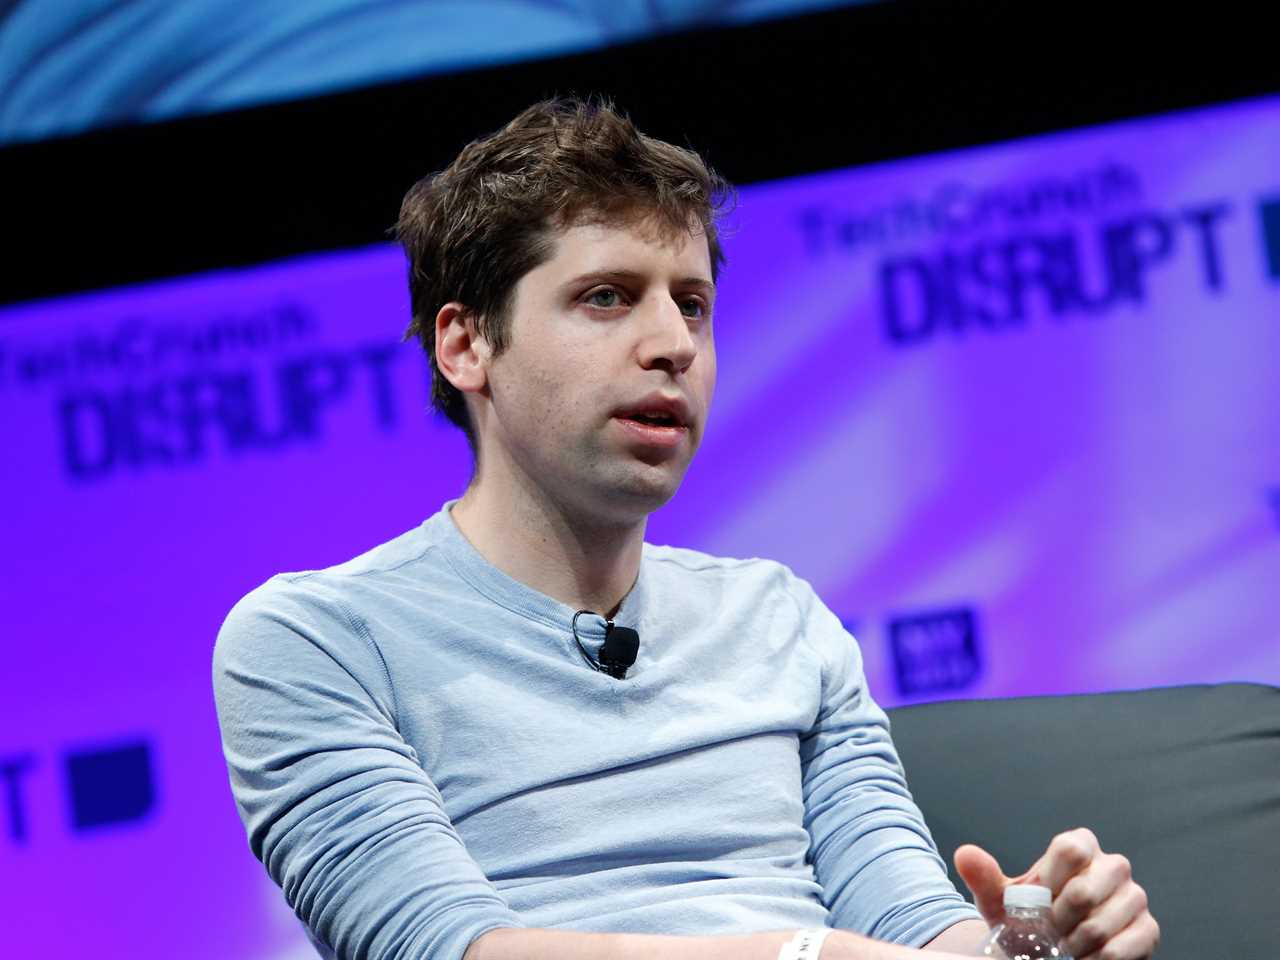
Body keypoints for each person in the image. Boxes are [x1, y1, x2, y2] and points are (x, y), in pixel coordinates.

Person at [213, 98, 1159, 960]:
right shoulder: (315, 639)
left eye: (692, 303)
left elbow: (906, 923)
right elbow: (445, 950)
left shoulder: (777, 616)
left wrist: (1028, 944)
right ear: (467, 344)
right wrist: (798, 958)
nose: (674, 344)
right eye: (607, 297)